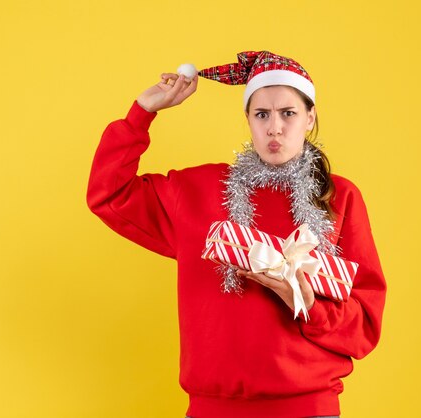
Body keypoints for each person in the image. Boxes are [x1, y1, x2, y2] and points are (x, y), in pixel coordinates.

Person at [86, 51, 386, 418]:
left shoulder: (340, 197)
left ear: (310, 118)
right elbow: (109, 194)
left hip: (308, 408)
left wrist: (308, 306)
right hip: (213, 409)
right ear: (248, 120)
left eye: (288, 113)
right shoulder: (195, 190)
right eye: (262, 114)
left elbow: (365, 326)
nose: (274, 127)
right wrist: (142, 112)